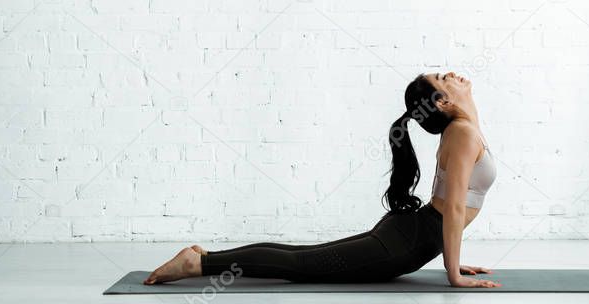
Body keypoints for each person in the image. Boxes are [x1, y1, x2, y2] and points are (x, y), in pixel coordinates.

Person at [144, 72, 500, 288]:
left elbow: (454, 205)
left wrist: (452, 259)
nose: (451, 74)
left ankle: (208, 257)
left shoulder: (463, 131)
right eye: (443, 77)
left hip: (412, 235)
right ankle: (199, 264)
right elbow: (453, 207)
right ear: (442, 102)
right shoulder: (463, 133)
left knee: (303, 257)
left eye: (442, 75)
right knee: (302, 265)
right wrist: (453, 273)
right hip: (406, 243)